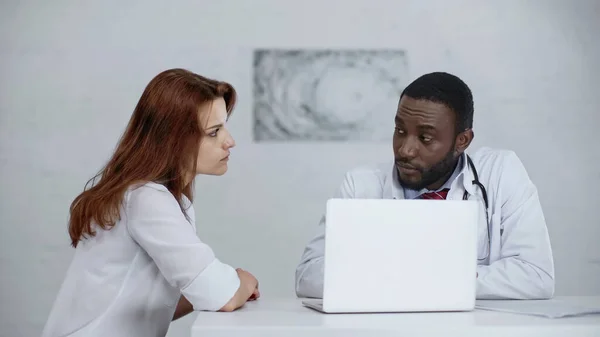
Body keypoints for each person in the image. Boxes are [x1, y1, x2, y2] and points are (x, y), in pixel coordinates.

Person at [295, 72, 555, 300]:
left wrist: (402, 278)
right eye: (399, 130)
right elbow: (308, 276)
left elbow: (535, 276)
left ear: (462, 140)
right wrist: (443, 280)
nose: (405, 149)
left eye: (425, 137)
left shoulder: (500, 173)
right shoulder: (361, 184)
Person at [41, 68, 260, 337]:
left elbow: (143, 305)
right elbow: (222, 295)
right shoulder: (147, 199)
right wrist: (242, 282)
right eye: (214, 131)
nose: (230, 141)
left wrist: (215, 289)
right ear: (174, 140)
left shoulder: (153, 197)